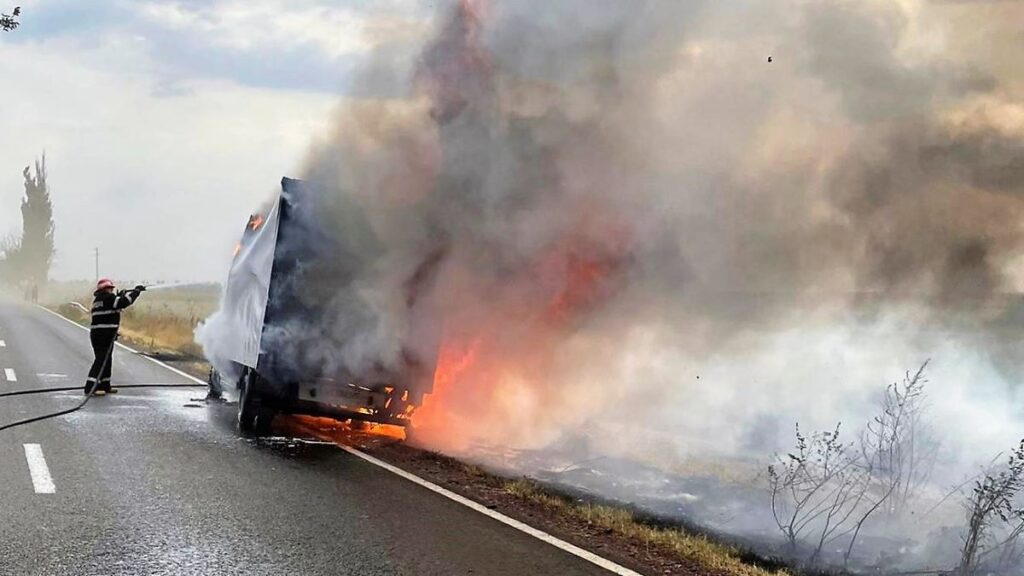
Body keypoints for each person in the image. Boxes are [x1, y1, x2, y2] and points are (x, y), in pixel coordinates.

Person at [85, 278, 145, 395]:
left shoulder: (99, 299)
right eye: (109, 288)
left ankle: (105, 385)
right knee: (101, 360)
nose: (111, 290)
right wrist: (136, 292)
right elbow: (124, 302)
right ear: (104, 289)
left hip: (100, 334)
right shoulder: (108, 298)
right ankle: (90, 388)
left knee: (106, 360)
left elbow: (110, 310)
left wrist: (119, 296)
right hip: (103, 335)